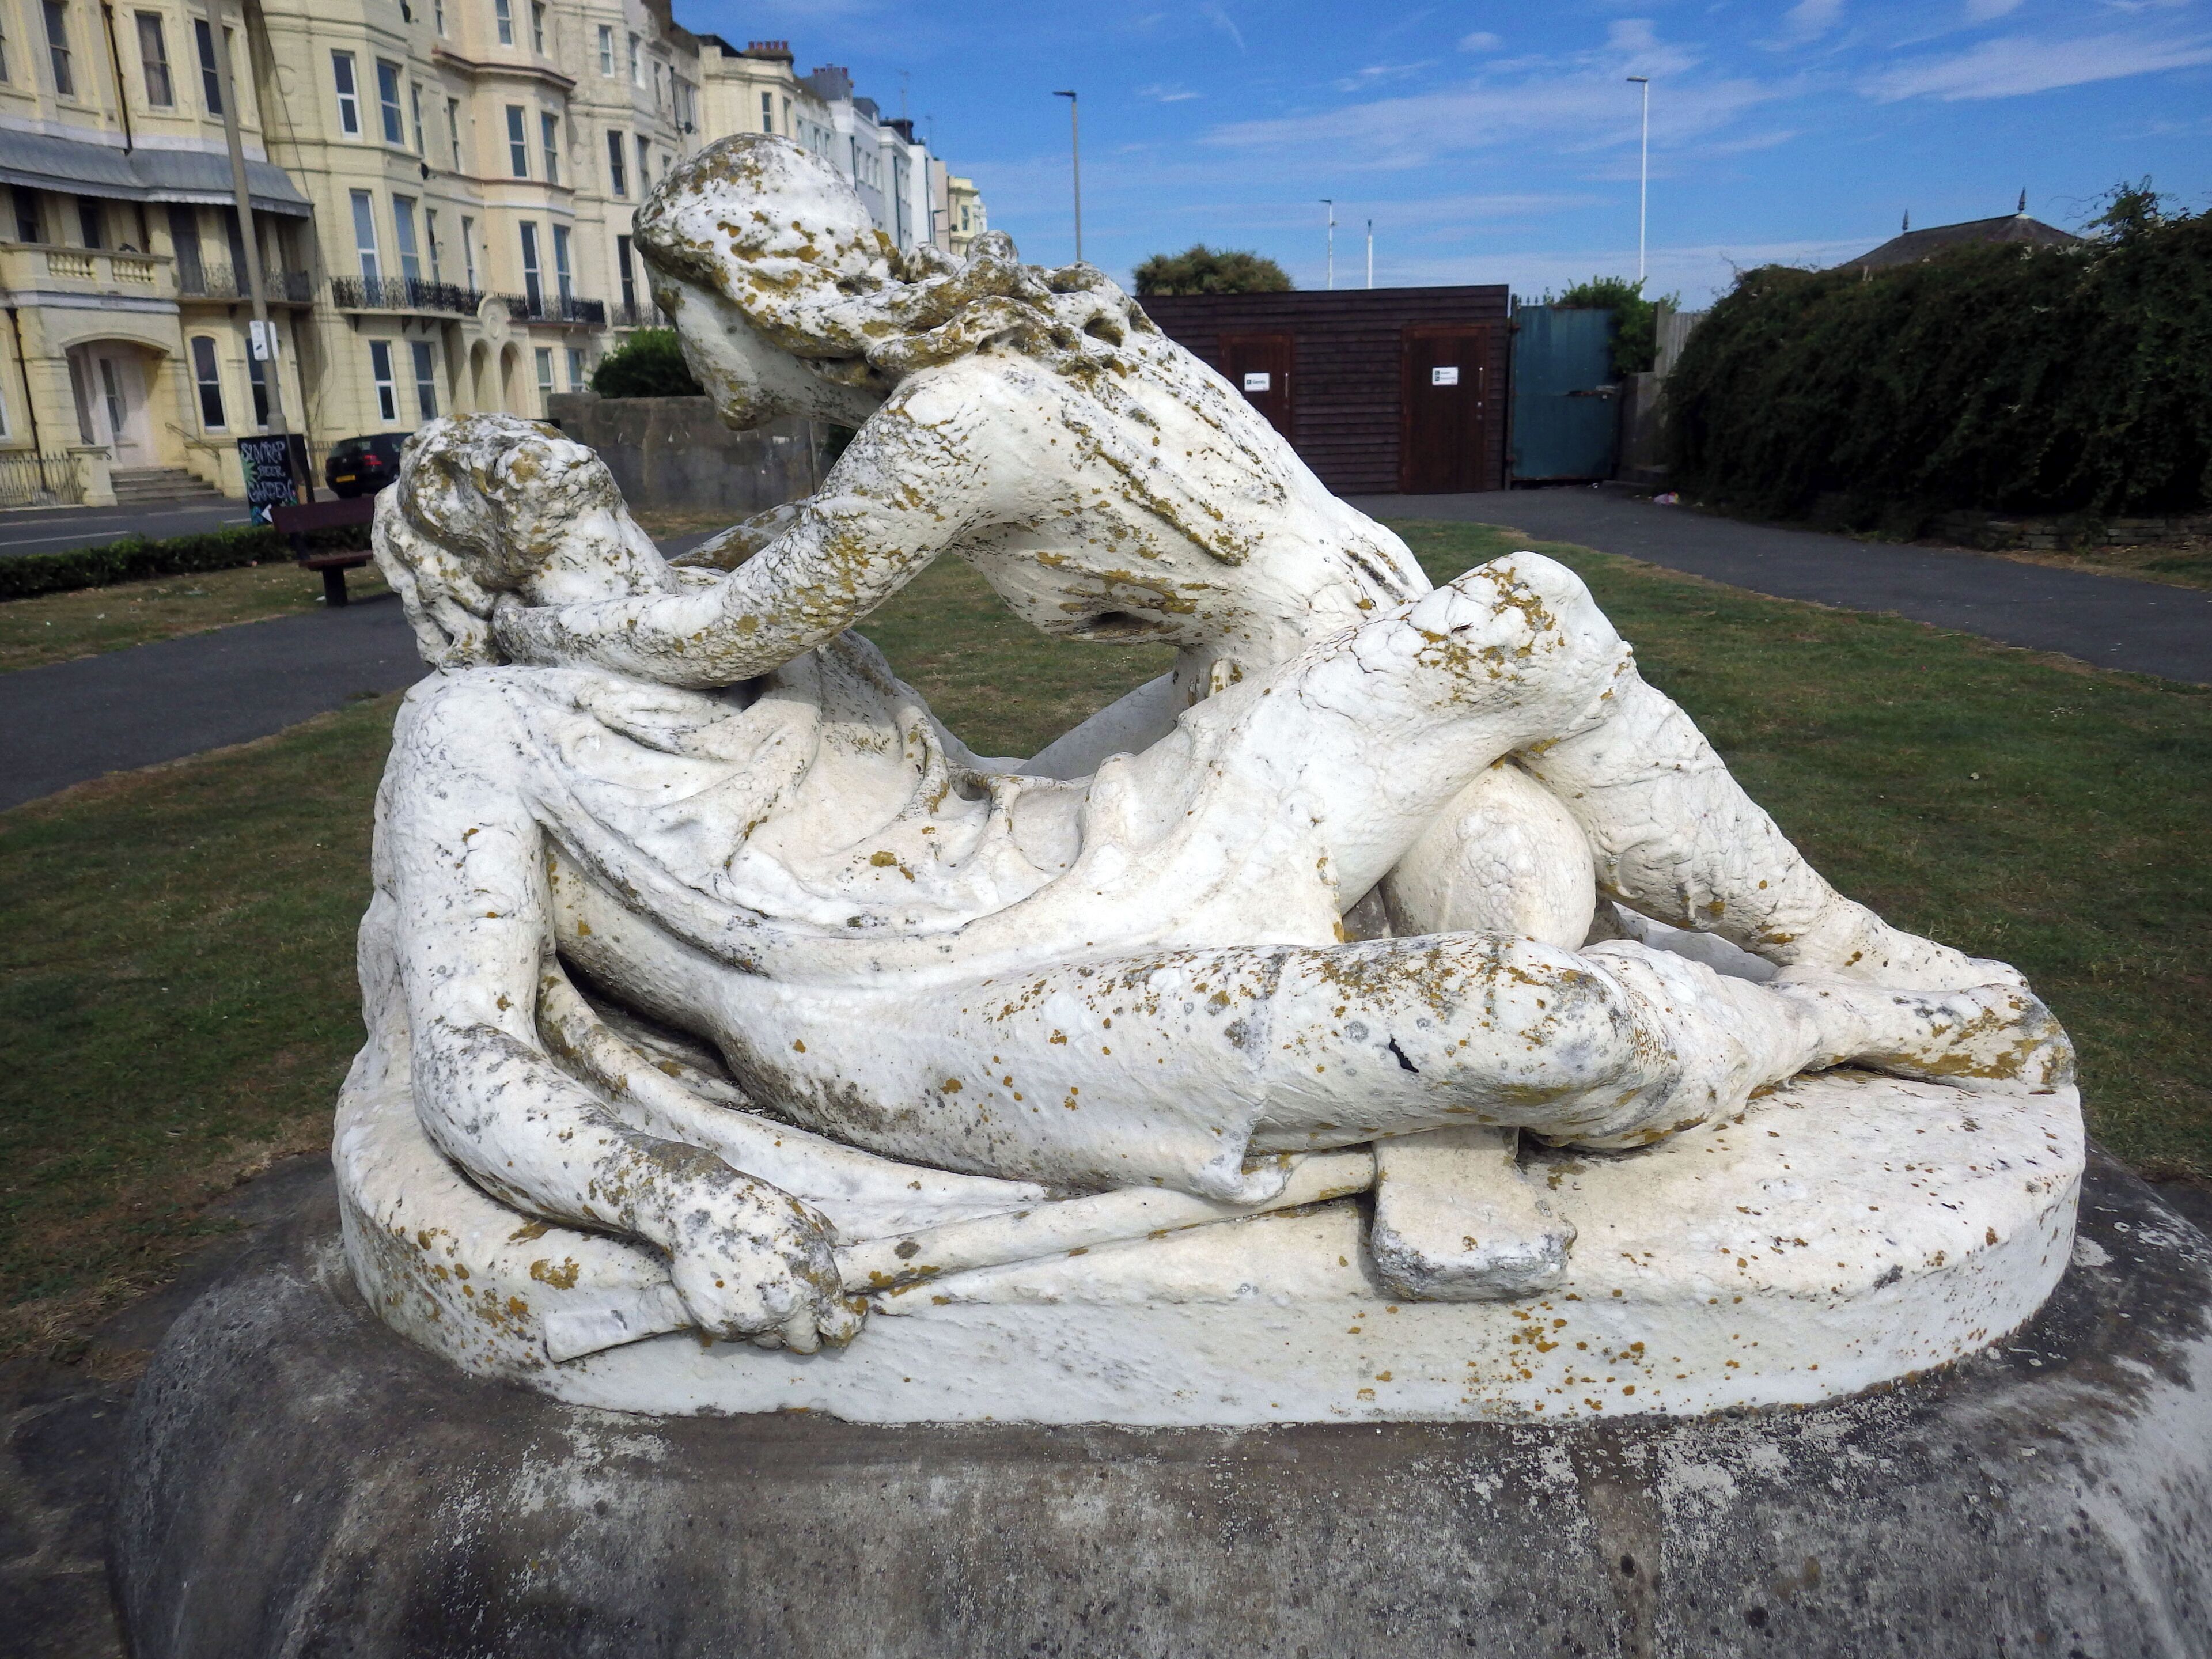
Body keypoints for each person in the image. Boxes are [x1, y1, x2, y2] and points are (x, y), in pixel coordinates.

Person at [366, 414, 2070, 1357]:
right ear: (484, 595)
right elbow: (463, 1055)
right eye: (560, 557)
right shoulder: (480, 731)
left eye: (610, 530)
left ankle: (1840, 942)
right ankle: (1827, 1028)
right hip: (931, 1020)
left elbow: (969, 795)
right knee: (1521, 1020)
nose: (617, 576)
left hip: (1091, 850)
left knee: (1522, 616)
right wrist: (686, 1201)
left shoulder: (758, 621)